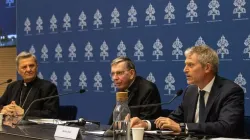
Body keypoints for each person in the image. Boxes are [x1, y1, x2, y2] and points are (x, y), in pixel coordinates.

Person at [130, 45, 244, 138]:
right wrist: (145, 124)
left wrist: (183, 127)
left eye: (190, 65)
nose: (185, 70)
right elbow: (173, 119)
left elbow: (225, 127)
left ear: (207, 68)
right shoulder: (191, 91)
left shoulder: (230, 91)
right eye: (185, 65)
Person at [0, 51, 59, 119]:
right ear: (18, 70)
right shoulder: (12, 86)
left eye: (31, 66)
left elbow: (52, 114)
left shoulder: (48, 87)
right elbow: (1, 105)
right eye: (24, 67)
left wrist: (24, 112)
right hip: (10, 127)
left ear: (36, 67)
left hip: (36, 128)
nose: (28, 69)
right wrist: (3, 110)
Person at [108, 56, 162, 124]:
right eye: (113, 74)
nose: (115, 78)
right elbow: (113, 123)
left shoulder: (148, 90)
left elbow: (145, 122)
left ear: (131, 74)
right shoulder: (123, 88)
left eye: (119, 73)